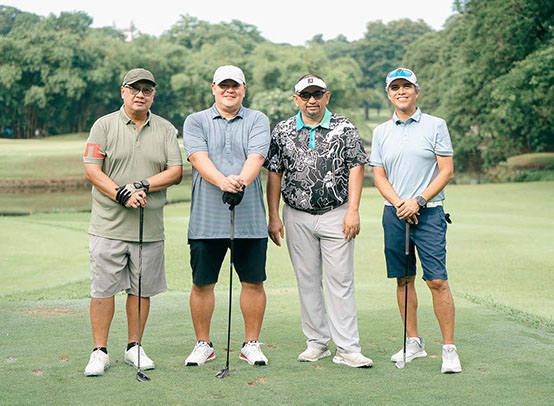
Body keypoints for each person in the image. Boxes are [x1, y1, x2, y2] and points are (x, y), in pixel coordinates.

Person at [265, 74, 373, 368]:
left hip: (337, 213)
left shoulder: (344, 127)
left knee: (341, 281)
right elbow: (274, 172)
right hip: (296, 215)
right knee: (307, 280)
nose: (311, 100)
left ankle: (348, 348)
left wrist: (353, 210)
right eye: (305, 95)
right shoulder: (283, 130)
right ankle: (317, 343)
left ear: (327, 96)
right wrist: (273, 215)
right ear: (296, 99)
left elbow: (356, 167)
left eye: (317, 94)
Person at [82, 68, 183, 376]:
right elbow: (92, 170)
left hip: (148, 228)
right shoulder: (103, 125)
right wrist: (121, 194)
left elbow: (175, 172)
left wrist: (142, 186)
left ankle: (133, 347)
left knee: (141, 290)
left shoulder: (165, 129)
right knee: (103, 290)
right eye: (135, 88)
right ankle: (99, 351)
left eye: (147, 90)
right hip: (108, 226)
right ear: (123, 91)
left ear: (153, 95)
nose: (141, 94)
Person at [370, 68, 461, 373]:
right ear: (389, 94)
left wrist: (418, 200)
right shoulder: (381, 132)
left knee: (437, 280)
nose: (401, 91)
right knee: (404, 279)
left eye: (406, 86)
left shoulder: (436, 125)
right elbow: (379, 175)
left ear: (416, 91)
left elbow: (446, 171)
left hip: (429, 211)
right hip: (395, 213)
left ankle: (449, 348)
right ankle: (413, 342)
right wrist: (400, 203)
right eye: (395, 87)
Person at [183, 65, 271, 367]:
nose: (229, 90)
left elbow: (256, 156)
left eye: (235, 85)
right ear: (213, 88)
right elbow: (198, 158)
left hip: (250, 220)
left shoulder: (258, 119)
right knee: (202, 283)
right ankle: (203, 344)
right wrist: (224, 182)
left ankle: (251, 344)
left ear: (244, 89)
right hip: (206, 219)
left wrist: (240, 182)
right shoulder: (195, 121)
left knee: (253, 282)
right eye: (223, 85)